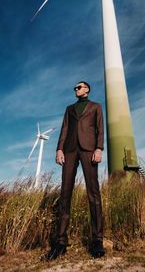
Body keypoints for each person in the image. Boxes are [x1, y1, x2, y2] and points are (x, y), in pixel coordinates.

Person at [46, 81, 105, 260]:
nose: (76, 90)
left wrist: (98, 148)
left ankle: (97, 241)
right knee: (65, 194)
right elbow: (64, 129)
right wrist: (59, 149)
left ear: (87, 89)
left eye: (79, 87)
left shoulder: (96, 107)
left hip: (89, 150)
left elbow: (100, 129)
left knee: (93, 194)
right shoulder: (69, 109)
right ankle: (61, 243)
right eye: (75, 88)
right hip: (70, 150)